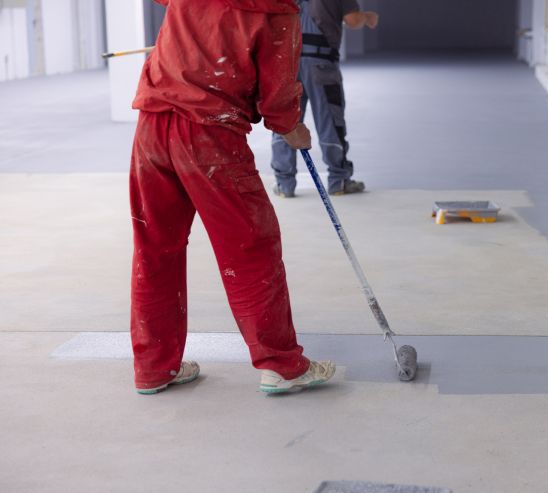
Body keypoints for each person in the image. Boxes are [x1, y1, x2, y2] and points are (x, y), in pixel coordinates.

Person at [128, 0, 335, 395]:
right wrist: (292, 128)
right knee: (251, 246)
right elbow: (276, 99)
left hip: (151, 128)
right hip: (210, 135)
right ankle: (281, 365)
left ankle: (154, 367)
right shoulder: (278, 9)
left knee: (155, 248)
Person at [270, 0, 378, 198]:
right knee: (329, 120)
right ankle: (338, 180)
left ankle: (284, 183)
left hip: (287, 62)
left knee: (285, 121)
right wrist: (368, 17)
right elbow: (352, 20)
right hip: (321, 63)